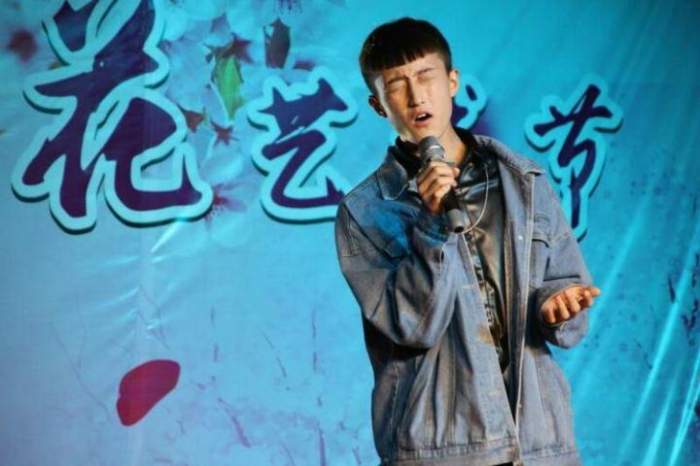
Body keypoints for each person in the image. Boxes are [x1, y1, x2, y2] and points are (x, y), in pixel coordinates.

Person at [334, 17, 602, 466]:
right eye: (397, 85)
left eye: (426, 76)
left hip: (537, 443)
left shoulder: (524, 182)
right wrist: (432, 224)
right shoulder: (365, 211)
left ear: (452, 81)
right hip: (441, 448)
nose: (417, 96)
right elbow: (411, 325)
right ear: (378, 105)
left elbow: (568, 308)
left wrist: (556, 307)